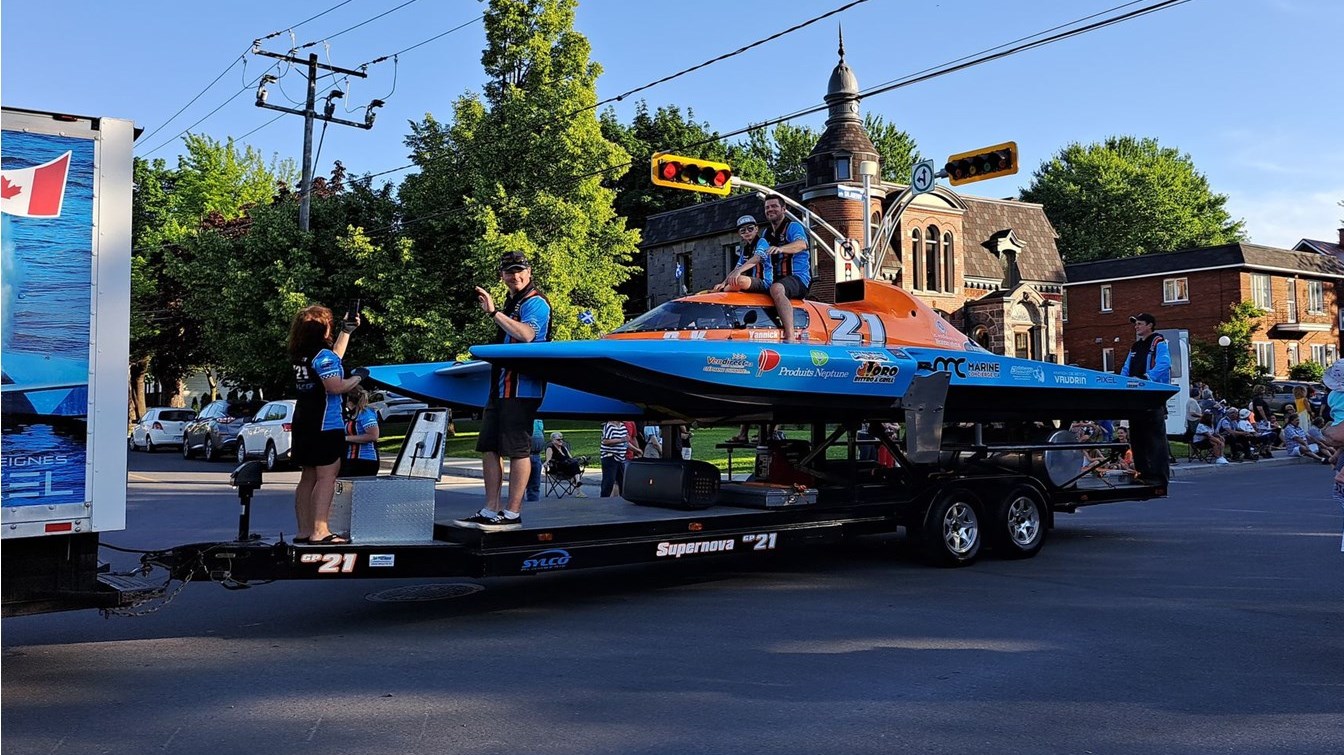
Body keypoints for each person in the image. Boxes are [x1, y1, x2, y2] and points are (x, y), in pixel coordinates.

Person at [453, 251, 552, 531]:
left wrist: (494, 313)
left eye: (520, 270)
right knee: (489, 447)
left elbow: (527, 335)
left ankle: (512, 513)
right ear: (502, 276)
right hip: (500, 386)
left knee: (518, 450)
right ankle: (490, 508)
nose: (515, 276)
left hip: (523, 387)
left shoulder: (536, 303)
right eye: (509, 272)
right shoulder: (513, 302)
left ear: (529, 272)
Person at [288, 304, 363, 544]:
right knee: (327, 476)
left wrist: (347, 332)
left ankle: (304, 530)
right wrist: (359, 377)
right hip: (325, 423)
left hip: (303, 421)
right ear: (323, 326)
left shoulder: (302, 353)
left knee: (308, 476)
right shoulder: (323, 356)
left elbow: (332, 359)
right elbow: (335, 386)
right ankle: (320, 531)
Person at [1119, 312, 1171, 484]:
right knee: (1138, 438)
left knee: (1155, 439)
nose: (1137, 326)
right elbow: (1127, 367)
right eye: (1136, 324)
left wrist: (1147, 378)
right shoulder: (1135, 347)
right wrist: (1121, 382)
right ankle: (1143, 473)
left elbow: (1164, 363)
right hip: (1135, 398)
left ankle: (1158, 476)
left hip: (1151, 396)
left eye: (1140, 324)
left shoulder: (1158, 342)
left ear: (1150, 325)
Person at [761, 195, 811, 342]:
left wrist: (780, 249)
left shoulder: (793, 227)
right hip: (774, 279)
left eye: (774, 206)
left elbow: (802, 244)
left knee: (776, 289)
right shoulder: (766, 233)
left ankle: (790, 336)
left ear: (784, 209)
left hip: (798, 279)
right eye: (767, 207)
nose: (770, 209)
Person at [713, 215, 773, 293]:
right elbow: (736, 268)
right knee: (734, 280)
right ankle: (721, 290)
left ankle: (721, 292)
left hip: (765, 283)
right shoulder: (745, 249)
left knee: (739, 280)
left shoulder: (762, 242)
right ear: (740, 233)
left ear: (756, 229)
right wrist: (724, 283)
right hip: (752, 282)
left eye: (750, 228)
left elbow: (756, 258)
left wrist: (738, 272)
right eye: (743, 230)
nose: (747, 232)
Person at [340, 386, 381, 477]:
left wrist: (345, 438)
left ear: (348, 399)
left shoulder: (365, 413)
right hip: (350, 458)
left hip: (365, 460)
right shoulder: (350, 414)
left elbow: (373, 436)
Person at [543, 431, 587, 497]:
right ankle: (578, 488)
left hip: (568, 467)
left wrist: (579, 459)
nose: (561, 441)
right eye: (558, 439)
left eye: (562, 439)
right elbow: (548, 460)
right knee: (574, 465)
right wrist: (545, 465)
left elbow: (570, 458)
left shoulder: (564, 448)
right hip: (558, 469)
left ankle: (578, 486)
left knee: (574, 464)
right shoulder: (550, 448)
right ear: (552, 440)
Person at [599, 419, 629, 497]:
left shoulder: (623, 426)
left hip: (621, 458)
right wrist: (621, 440)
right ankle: (604, 499)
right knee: (609, 481)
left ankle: (624, 498)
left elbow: (626, 441)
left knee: (623, 480)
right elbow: (605, 441)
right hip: (610, 457)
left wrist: (636, 449)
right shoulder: (609, 426)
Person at [526, 418, 545, 503]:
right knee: (522, 478)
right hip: (525, 454)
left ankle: (533, 497)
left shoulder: (539, 422)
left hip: (536, 454)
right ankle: (517, 498)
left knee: (535, 478)